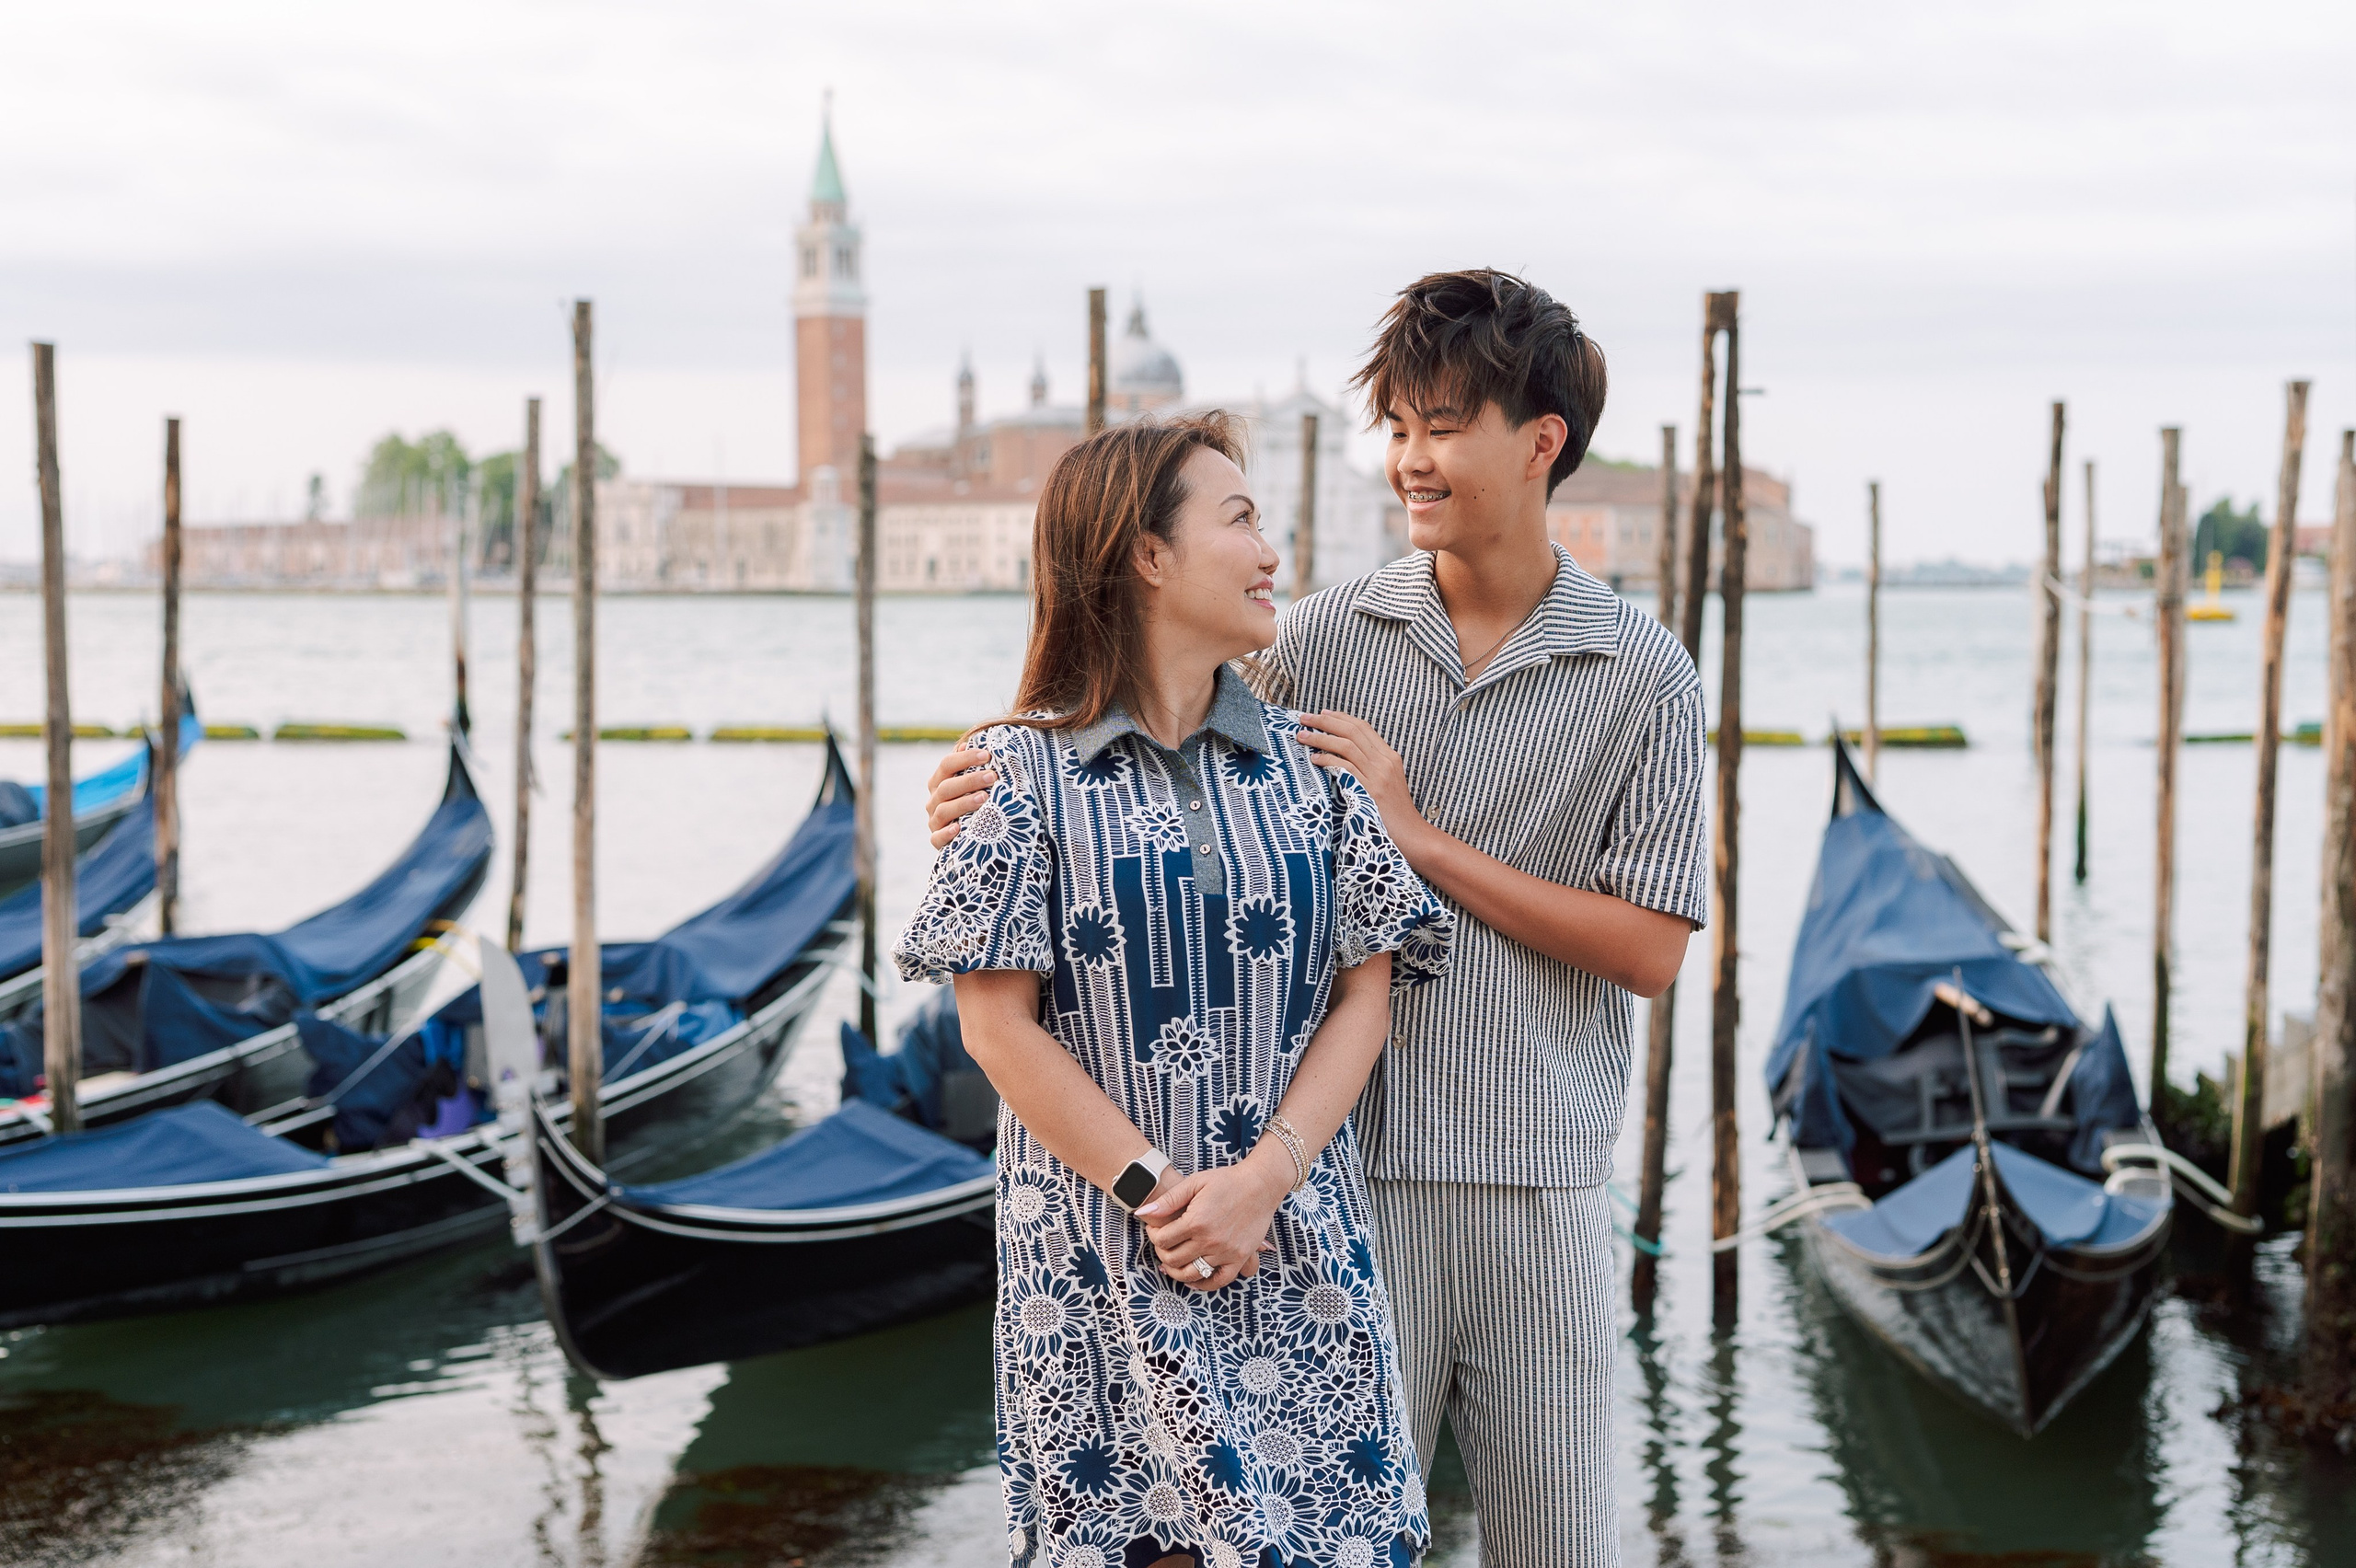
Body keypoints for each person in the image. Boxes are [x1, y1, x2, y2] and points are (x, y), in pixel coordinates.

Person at [928, 271, 1710, 1567]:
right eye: (1397, 426)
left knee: (1560, 1547)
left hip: (1541, 1178)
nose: (1409, 458)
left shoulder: (1644, 670)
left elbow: (1649, 950)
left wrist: (1420, 842)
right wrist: (984, 791)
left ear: (1541, 443)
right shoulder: (1324, 634)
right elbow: (1145, 711)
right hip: (1343, 1183)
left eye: (1442, 425)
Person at [894, 411, 1455, 1568]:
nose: (1271, 555)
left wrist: (1262, 1184)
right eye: (1240, 520)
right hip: (1095, 1253)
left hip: (1295, 1235)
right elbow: (996, 1031)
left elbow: (1369, 998)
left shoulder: (1314, 773)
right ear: (1147, 555)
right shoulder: (1013, 776)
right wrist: (1166, 1194)